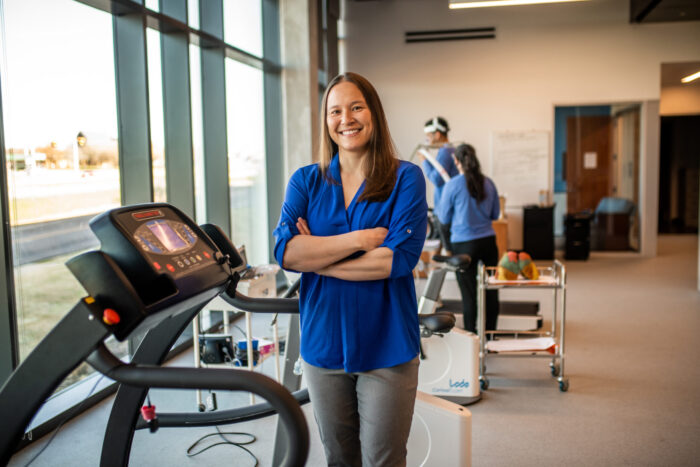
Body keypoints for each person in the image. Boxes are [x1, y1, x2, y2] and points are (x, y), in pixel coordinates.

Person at [273, 72, 428, 466]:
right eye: (335, 110)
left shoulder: (405, 178)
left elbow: (396, 260)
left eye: (356, 107)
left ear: (373, 112)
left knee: (383, 459)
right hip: (323, 346)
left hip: (387, 344)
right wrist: (359, 241)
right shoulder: (305, 182)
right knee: (339, 460)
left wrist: (318, 257)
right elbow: (286, 254)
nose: (347, 118)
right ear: (326, 120)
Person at [435, 143, 500, 333]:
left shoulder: (453, 185)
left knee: (469, 295)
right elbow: (495, 214)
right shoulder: (488, 183)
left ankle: (472, 338)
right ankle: (490, 337)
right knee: (490, 291)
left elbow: (444, 218)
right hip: (488, 243)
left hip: (463, 246)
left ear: (456, 161)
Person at [419, 116, 459, 207]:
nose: (427, 140)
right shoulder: (452, 149)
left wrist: (424, 160)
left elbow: (437, 179)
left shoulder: (444, 152)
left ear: (437, 135)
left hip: (445, 206)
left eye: (428, 136)